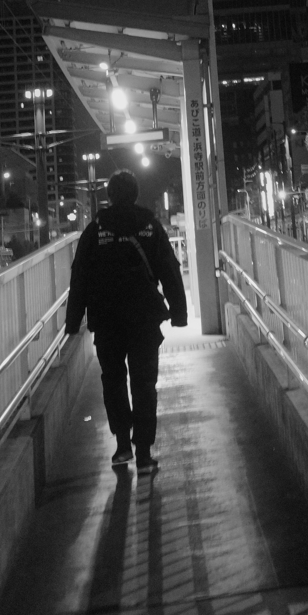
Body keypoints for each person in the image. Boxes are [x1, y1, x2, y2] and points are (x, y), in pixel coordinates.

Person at [65, 169, 187, 475]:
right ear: (135, 194)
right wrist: (179, 313)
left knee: (114, 380)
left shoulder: (95, 231)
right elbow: (169, 269)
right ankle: (144, 452)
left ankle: (122, 446)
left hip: (107, 320)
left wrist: (72, 321)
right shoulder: (150, 227)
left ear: (109, 195)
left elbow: (79, 277)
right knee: (145, 383)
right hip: (144, 318)